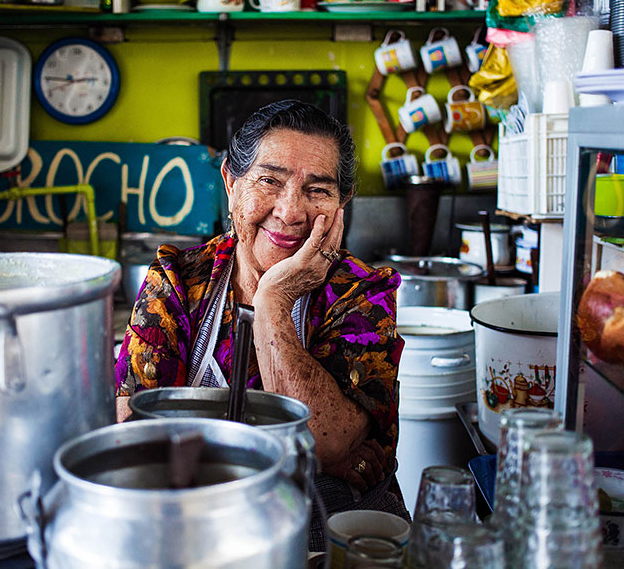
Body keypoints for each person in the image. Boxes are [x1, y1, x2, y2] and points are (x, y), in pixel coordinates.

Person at [114, 99, 409, 550]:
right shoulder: (178, 281)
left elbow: (326, 443)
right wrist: (305, 454)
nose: (291, 212)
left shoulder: (362, 293)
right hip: (188, 528)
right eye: (269, 180)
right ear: (231, 183)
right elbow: (132, 435)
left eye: (318, 190)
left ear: (342, 202)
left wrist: (274, 300)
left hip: (331, 535)